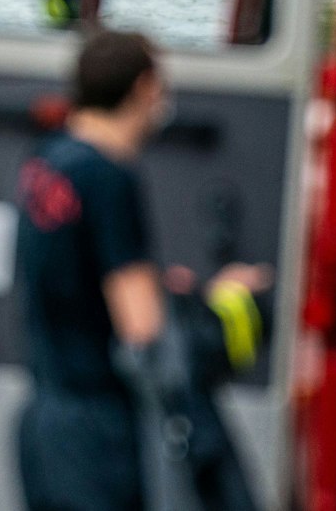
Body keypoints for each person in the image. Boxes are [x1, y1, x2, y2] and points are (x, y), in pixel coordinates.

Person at [14, 31, 267, 511]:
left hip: (44, 421)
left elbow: (75, 279)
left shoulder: (49, 161)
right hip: (98, 434)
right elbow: (142, 325)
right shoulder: (110, 175)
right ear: (144, 88)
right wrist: (224, 297)